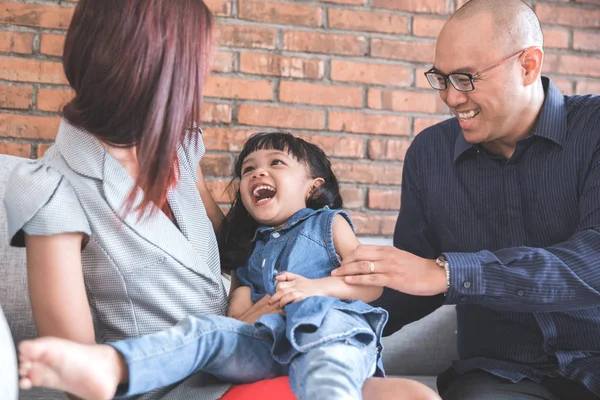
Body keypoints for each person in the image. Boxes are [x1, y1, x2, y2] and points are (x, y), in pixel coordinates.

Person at [2, 1, 440, 399]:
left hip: (245, 353)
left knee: (413, 396)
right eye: (197, 68)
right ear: (152, 68)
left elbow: (233, 244)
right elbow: (76, 371)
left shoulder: (179, 148)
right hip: (169, 384)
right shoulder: (49, 186)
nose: (202, 82)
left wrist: (299, 257)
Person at [15, 132, 439, 400]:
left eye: (276, 163)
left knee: (337, 370)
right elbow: (238, 308)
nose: (258, 173)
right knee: (206, 332)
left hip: (325, 330)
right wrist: (247, 316)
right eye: (249, 169)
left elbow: (369, 286)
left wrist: (316, 290)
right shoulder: (251, 249)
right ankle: (114, 365)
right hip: (264, 343)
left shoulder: (328, 224)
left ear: (313, 187)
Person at [331, 0, 600, 399]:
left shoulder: (593, 129)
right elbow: (411, 285)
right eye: (441, 79)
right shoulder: (428, 155)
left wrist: (452, 272)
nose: (451, 98)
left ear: (528, 64)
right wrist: (318, 309)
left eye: (465, 78)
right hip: (500, 373)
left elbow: (594, 259)